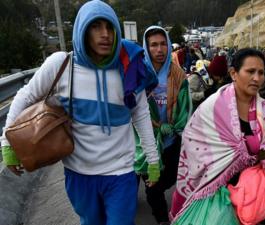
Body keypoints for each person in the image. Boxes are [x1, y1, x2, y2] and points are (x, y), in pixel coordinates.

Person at [0, 1, 160, 224]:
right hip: (79, 174)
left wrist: (153, 160)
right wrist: (7, 144)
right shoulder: (61, 65)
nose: (105, 34)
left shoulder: (128, 66)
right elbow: (24, 96)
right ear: (82, 30)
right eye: (96, 26)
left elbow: (141, 114)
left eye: (109, 27)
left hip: (121, 173)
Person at [170, 48, 265, 225]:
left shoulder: (264, 108)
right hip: (217, 195)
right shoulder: (213, 107)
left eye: (261, 72)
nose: (257, 78)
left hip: (252, 193)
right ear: (234, 73)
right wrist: (240, 153)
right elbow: (193, 149)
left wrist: (259, 152)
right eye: (250, 71)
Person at [134, 25, 191, 225]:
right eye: (153, 45)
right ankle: (162, 219)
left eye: (163, 44)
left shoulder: (177, 74)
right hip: (145, 143)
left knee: (171, 178)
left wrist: (174, 127)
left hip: (170, 141)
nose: (159, 50)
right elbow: (131, 106)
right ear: (147, 48)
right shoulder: (138, 73)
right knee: (153, 188)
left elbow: (185, 107)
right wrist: (154, 127)